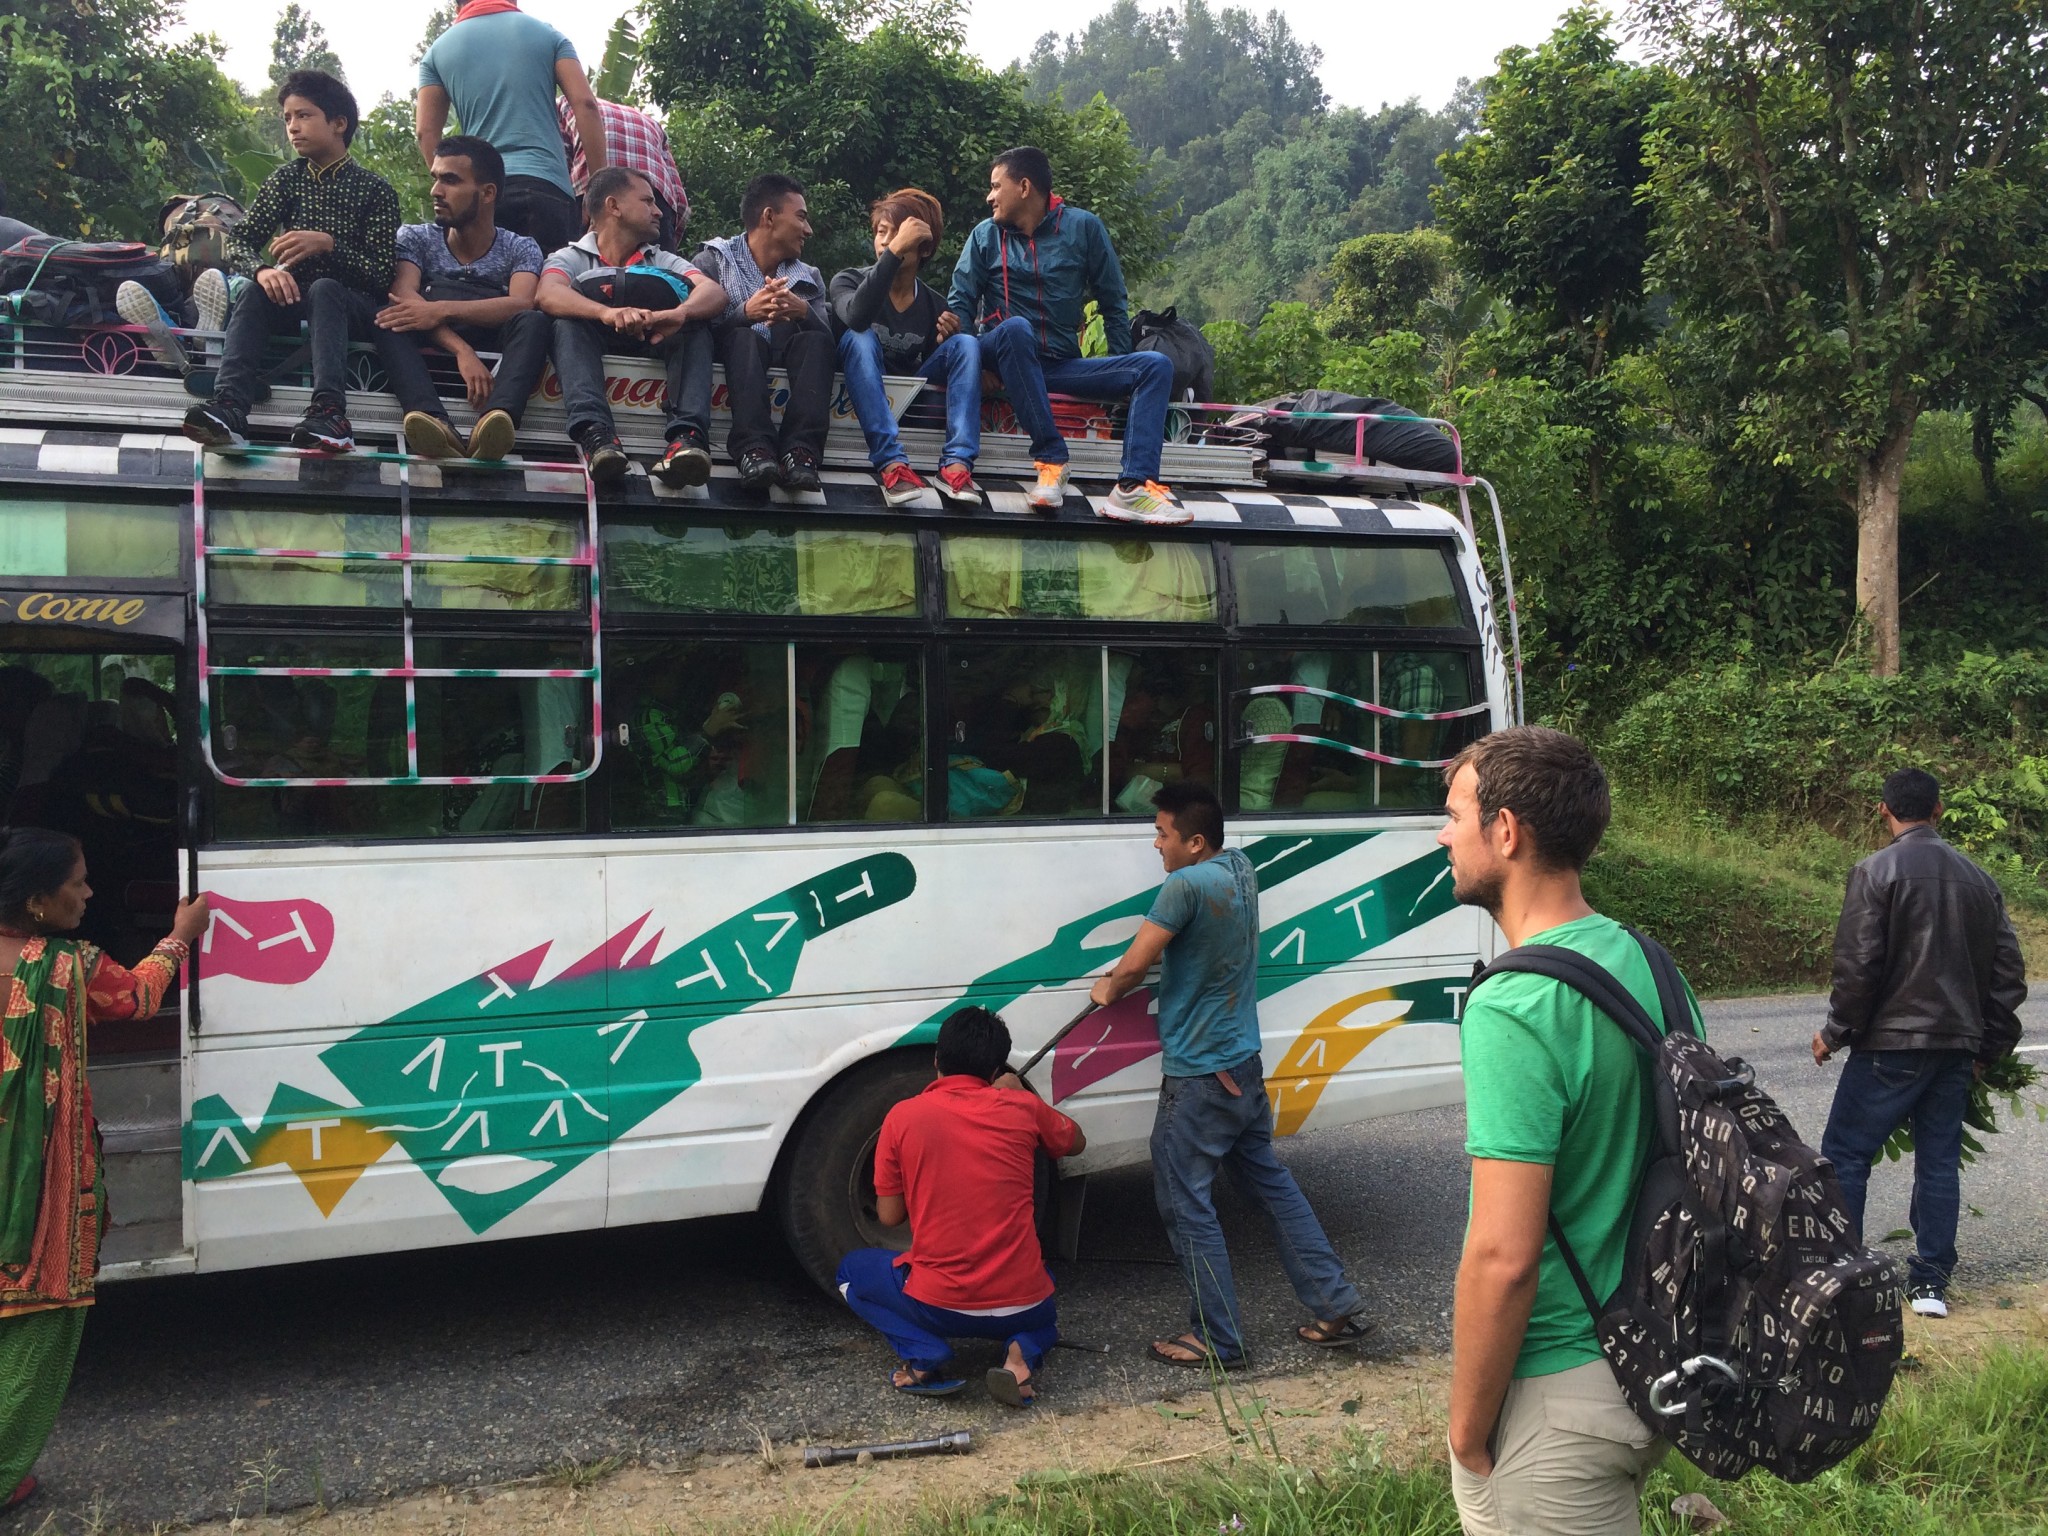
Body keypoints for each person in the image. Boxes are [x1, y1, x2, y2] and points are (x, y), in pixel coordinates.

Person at [1437, 726, 1677, 1536]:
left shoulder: (1514, 1004)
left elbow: (1503, 1260)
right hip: (1656, 1355)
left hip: (1560, 1389)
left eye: (1455, 815)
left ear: (1506, 832)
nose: (1444, 834)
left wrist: (1467, 1434)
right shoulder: (1647, 960)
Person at [1091, 781, 1367, 1367]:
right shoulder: (1240, 867)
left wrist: (1106, 986)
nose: (1156, 845)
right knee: (1269, 1183)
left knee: (1185, 1202)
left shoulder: (1183, 885)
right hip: (1242, 1064)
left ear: (1194, 843)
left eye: (1162, 834)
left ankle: (1217, 1338)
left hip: (1198, 1078)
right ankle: (1333, 1302)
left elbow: (1135, 966)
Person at [0, 828, 208, 1513]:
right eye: (78, 884)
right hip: (36, 1184)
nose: (90, 893)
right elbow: (138, 999)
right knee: (39, 1315)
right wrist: (180, 935)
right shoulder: (68, 967)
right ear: (37, 902)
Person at [1812, 767, 2027, 1319]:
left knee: (1845, 1155)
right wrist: (1986, 1049)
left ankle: (1847, 1282)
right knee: (1937, 1162)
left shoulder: (1875, 871)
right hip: (1956, 1047)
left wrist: (1834, 1034)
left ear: (1883, 811)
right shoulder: (1980, 881)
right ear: (1937, 811)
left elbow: (1858, 967)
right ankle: (1930, 1284)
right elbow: (2009, 976)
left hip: (1890, 1045)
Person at [836, 1006, 1084, 1406]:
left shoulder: (903, 1116)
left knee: (849, 1272)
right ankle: (1021, 1356)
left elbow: (889, 1216)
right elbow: (1075, 1143)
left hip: (939, 1306)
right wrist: (1022, 1096)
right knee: (1044, 1314)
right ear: (997, 1067)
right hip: (1024, 1304)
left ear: (937, 1059)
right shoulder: (1022, 1108)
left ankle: (923, 1355)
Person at [950, 146, 1183, 525]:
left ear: (1024, 187)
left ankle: (1133, 487)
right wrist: (972, 367)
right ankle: (1051, 460)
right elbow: (960, 306)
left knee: (1155, 366)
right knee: (1016, 328)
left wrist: (1117, 376)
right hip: (1003, 357)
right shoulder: (984, 236)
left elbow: (1113, 301)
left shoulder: (1084, 228)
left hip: (1059, 366)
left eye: (996, 186)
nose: (989, 196)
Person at [181, 71, 399, 453]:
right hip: (297, 296)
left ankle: (331, 413)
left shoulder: (375, 190)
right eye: (287, 118)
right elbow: (239, 244)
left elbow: (382, 276)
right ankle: (230, 406)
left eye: (304, 116)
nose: (293, 127)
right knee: (253, 291)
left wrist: (329, 246)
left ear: (338, 123)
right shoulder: (286, 180)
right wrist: (263, 271)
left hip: (352, 306)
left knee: (326, 288)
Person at [537, 166, 727, 488]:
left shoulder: (662, 258)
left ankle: (687, 438)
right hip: (592, 342)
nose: (658, 212)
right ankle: (596, 435)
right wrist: (605, 313)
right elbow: (547, 293)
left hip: (653, 338)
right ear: (614, 207)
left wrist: (680, 314)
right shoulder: (569, 256)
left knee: (695, 326)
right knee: (565, 323)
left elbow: (714, 293)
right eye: (648, 201)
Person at [374, 136, 550, 461]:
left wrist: (440, 308)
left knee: (534, 321)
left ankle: (498, 421)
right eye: (436, 179)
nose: (436, 191)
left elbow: (521, 303)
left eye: (450, 180)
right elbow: (403, 298)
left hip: (495, 355)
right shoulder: (416, 237)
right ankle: (431, 418)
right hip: (432, 350)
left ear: (487, 193)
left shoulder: (520, 247)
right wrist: (461, 350)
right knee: (388, 316)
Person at [830, 188, 983, 506]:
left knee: (966, 343)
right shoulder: (847, 281)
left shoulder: (935, 305)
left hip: (910, 411)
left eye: (897, 234)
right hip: (853, 410)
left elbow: (929, 373)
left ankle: (956, 467)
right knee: (858, 335)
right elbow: (857, 318)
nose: (885, 242)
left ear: (924, 250)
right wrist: (896, 250)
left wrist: (947, 343)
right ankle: (892, 466)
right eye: (881, 232)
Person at [415, 0, 604, 256]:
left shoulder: (437, 52)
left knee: (486, 289)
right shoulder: (547, 35)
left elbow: (425, 133)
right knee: (550, 288)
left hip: (482, 193)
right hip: (546, 187)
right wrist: (599, 193)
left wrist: (453, 184)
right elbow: (586, 105)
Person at [692, 174, 833, 493]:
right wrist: (745, 314)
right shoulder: (711, 262)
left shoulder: (808, 278)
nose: (808, 230)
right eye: (801, 217)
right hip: (727, 383)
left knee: (815, 338)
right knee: (743, 337)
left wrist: (802, 313)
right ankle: (754, 450)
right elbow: (697, 339)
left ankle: (802, 452)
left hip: (792, 372)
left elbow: (829, 348)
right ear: (769, 217)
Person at [555, 95, 688, 250]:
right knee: (660, 270)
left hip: (590, 197)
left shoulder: (567, 103)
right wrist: (668, 239)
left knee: (586, 267)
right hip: (656, 198)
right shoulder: (652, 123)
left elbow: (559, 170)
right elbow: (681, 202)